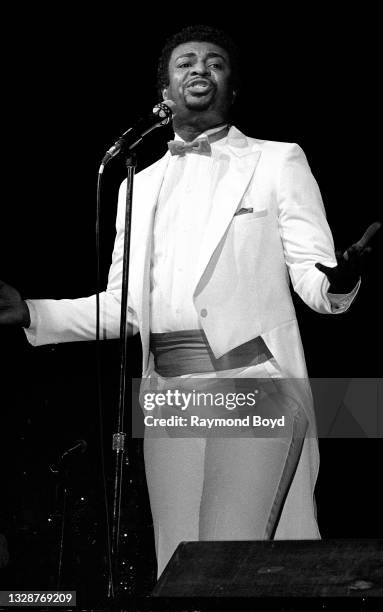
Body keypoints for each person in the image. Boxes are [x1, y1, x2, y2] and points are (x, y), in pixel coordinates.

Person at [0, 25, 379, 579]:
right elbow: (125, 306)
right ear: (165, 90)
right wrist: (34, 312)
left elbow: (314, 282)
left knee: (224, 559)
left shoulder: (277, 161)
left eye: (215, 62)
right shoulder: (138, 182)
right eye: (185, 62)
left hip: (251, 380)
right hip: (169, 395)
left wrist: (341, 277)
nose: (199, 68)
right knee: (176, 569)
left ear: (231, 86)